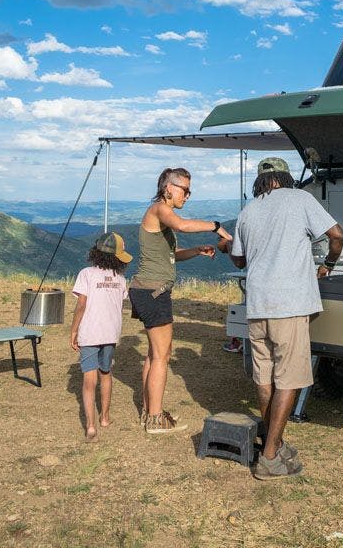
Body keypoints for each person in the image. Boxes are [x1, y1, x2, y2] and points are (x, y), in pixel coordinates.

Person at [222, 156, 343, 480]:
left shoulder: (249, 211)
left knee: (265, 378)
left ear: (260, 182)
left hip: (258, 304)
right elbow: (337, 235)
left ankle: (273, 443)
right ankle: (270, 457)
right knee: (288, 379)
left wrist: (227, 246)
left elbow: (238, 260)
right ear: (286, 178)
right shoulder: (301, 199)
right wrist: (328, 265)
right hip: (288, 304)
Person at [133, 167, 232, 434]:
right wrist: (217, 227)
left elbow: (171, 254)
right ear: (168, 188)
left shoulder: (159, 216)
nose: (187, 195)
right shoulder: (159, 210)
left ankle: (149, 411)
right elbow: (183, 225)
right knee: (162, 356)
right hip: (154, 292)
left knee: (154, 355)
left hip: (149, 290)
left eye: (190, 191)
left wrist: (196, 251)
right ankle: (154, 420)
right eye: (184, 190)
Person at [69, 232, 132, 442]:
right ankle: (105, 417)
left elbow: (81, 304)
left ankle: (91, 426)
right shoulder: (120, 279)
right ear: (117, 258)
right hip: (111, 332)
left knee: (89, 380)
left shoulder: (86, 274)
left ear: (95, 253)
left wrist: (74, 330)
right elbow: (118, 305)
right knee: (106, 373)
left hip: (90, 332)